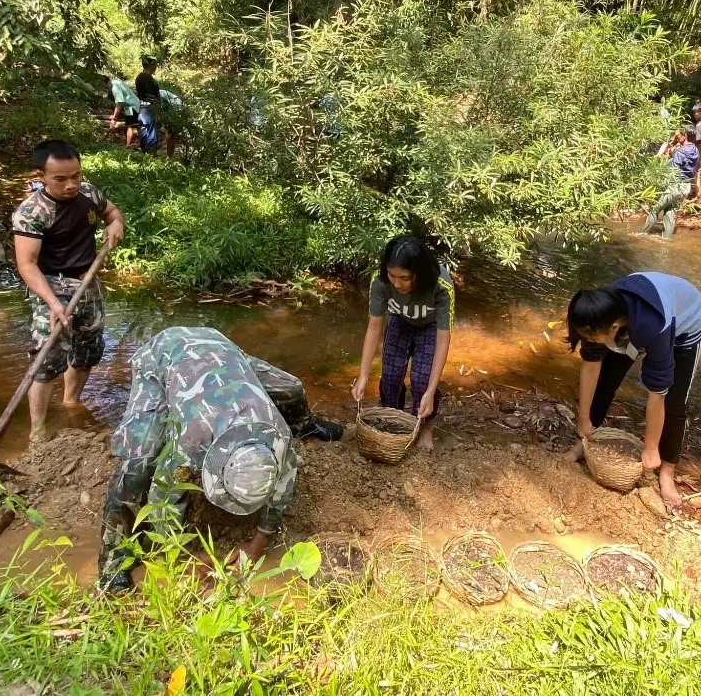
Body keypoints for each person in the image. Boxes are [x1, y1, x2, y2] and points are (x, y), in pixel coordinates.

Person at [97, 327, 343, 593]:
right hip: (166, 354)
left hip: (222, 353)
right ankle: (114, 561)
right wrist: (187, 555)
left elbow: (284, 488)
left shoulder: (278, 436)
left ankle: (306, 424)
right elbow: (164, 498)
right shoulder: (192, 441)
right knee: (138, 463)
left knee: (291, 387)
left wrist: (258, 542)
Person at [11, 140, 126, 440]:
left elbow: (111, 212)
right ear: (41, 176)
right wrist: (52, 303)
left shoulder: (89, 193)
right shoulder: (32, 212)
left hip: (87, 281)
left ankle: (71, 400)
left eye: (75, 176)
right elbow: (27, 265)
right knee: (46, 360)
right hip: (50, 284)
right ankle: (38, 431)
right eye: (60, 179)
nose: (71, 185)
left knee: (88, 349)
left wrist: (115, 223)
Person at [563, 273, 701, 510]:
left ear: (614, 327)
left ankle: (667, 472)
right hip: (638, 314)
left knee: (674, 402)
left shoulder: (653, 326)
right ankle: (585, 443)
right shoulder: (597, 313)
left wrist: (650, 448)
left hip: (684, 322)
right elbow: (591, 368)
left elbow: (657, 392)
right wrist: (584, 418)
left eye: (591, 336)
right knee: (607, 380)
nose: (588, 340)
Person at [351, 236, 454, 452]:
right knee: (390, 376)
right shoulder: (380, 282)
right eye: (392, 275)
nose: (397, 284)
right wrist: (363, 375)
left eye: (405, 278)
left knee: (422, 381)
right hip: (399, 321)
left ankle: (426, 426)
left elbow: (444, 339)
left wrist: (431, 389)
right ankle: (394, 419)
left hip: (430, 327)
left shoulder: (441, 285)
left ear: (419, 274)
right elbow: (374, 327)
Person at [641, 126, 700, 239]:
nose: (676, 138)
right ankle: (666, 240)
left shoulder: (681, 151)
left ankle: (641, 235)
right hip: (686, 187)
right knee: (670, 213)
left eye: (678, 136)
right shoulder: (695, 150)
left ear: (685, 136)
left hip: (675, 186)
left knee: (655, 210)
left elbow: (673, 169)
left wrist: (664, 161)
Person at [135, 55, 162, 153]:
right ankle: (151, 155)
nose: (156, 66)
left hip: (142, 107)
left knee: (145, 132)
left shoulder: (139, 77)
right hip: (150, 108)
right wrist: (157, 111)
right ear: (151, 64)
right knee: (151, 133)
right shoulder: (148, 79)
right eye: (155, 64)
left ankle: (145, 155)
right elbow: (152, 96)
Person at [106, 75, 141, 147]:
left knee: (130, 126)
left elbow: (120, 103)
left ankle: (128, 145)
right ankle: (143, 144)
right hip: (135, 104)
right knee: (138, 125)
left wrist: (114, 118)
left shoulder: (115, 87)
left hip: (131, 106)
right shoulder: (118, 82)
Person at [159, 88, 184, 157]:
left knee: (171, 134)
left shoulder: (160, 94)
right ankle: (169, 154)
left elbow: (164, 109)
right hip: (173, 110)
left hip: (176, 111)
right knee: (170, 134)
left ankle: (170, 154)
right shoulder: (160, 93)